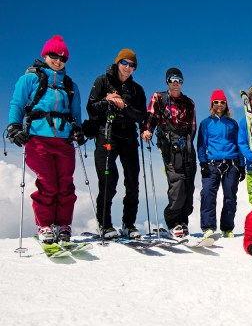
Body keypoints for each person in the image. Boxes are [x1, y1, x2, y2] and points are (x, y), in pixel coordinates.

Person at [6, 35, 83, 243]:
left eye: (63, 58)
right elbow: (17, 104)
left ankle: (63, 225)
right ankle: (45, 225)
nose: (58, 61)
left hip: (65, 141)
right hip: (38, 139)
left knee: (65, 184)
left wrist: (78, 129)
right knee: (48, 183)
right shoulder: (30, 79)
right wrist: (14, 127)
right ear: (45, 55)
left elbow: (76, 114)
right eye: (54, 56)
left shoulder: (70, 85)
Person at [86, 48, 147, 239]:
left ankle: (128, 224)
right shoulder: (102, 82)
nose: (128, 67)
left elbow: (141, 116)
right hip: (107, 135)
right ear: (117, 63)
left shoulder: (137, 89)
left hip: (128, 138)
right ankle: (105, 224)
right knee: (108, 181)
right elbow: (91, 109)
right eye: (125, 63)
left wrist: (124, 105)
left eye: (132, 65)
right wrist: (106, 101)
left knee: (132, 181)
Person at [142, 68, 197, 237]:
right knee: (177, 182)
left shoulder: (189, 102)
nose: (175, 83)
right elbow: (150, 116)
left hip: (186, 146)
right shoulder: (159, 98)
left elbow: (193, 126)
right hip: (169, 145)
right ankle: (173, 221)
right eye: (172, 80)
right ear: (167, 81)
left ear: (182, 82)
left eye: (178, 80)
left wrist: (187, 143)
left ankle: (183, 222)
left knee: (189, 183)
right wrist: (147, 130)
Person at [197, 89, 245, 238]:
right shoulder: (206, 123)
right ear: (212, 104)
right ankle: (208, 228)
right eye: (216, 102)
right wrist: (203, 164)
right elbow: (201, 145)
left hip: (232, 164)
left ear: (226, 105)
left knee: (230, 196)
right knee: (207, 194)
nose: (219, 105)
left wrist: (241, 165)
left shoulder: (232, 124)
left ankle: (227, 228)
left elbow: (239, 144)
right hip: (212, 164)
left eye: (222, 102)